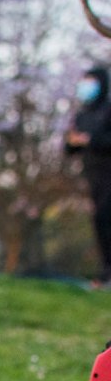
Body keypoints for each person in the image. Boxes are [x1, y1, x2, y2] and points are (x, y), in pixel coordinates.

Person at [64, 65, 111, 287]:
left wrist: (91, 140)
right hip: (93, 176)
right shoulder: (81, 114)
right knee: (100, 221)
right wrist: (72, 142)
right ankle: (106, 270)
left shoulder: (108, 110)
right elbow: (69, 147)